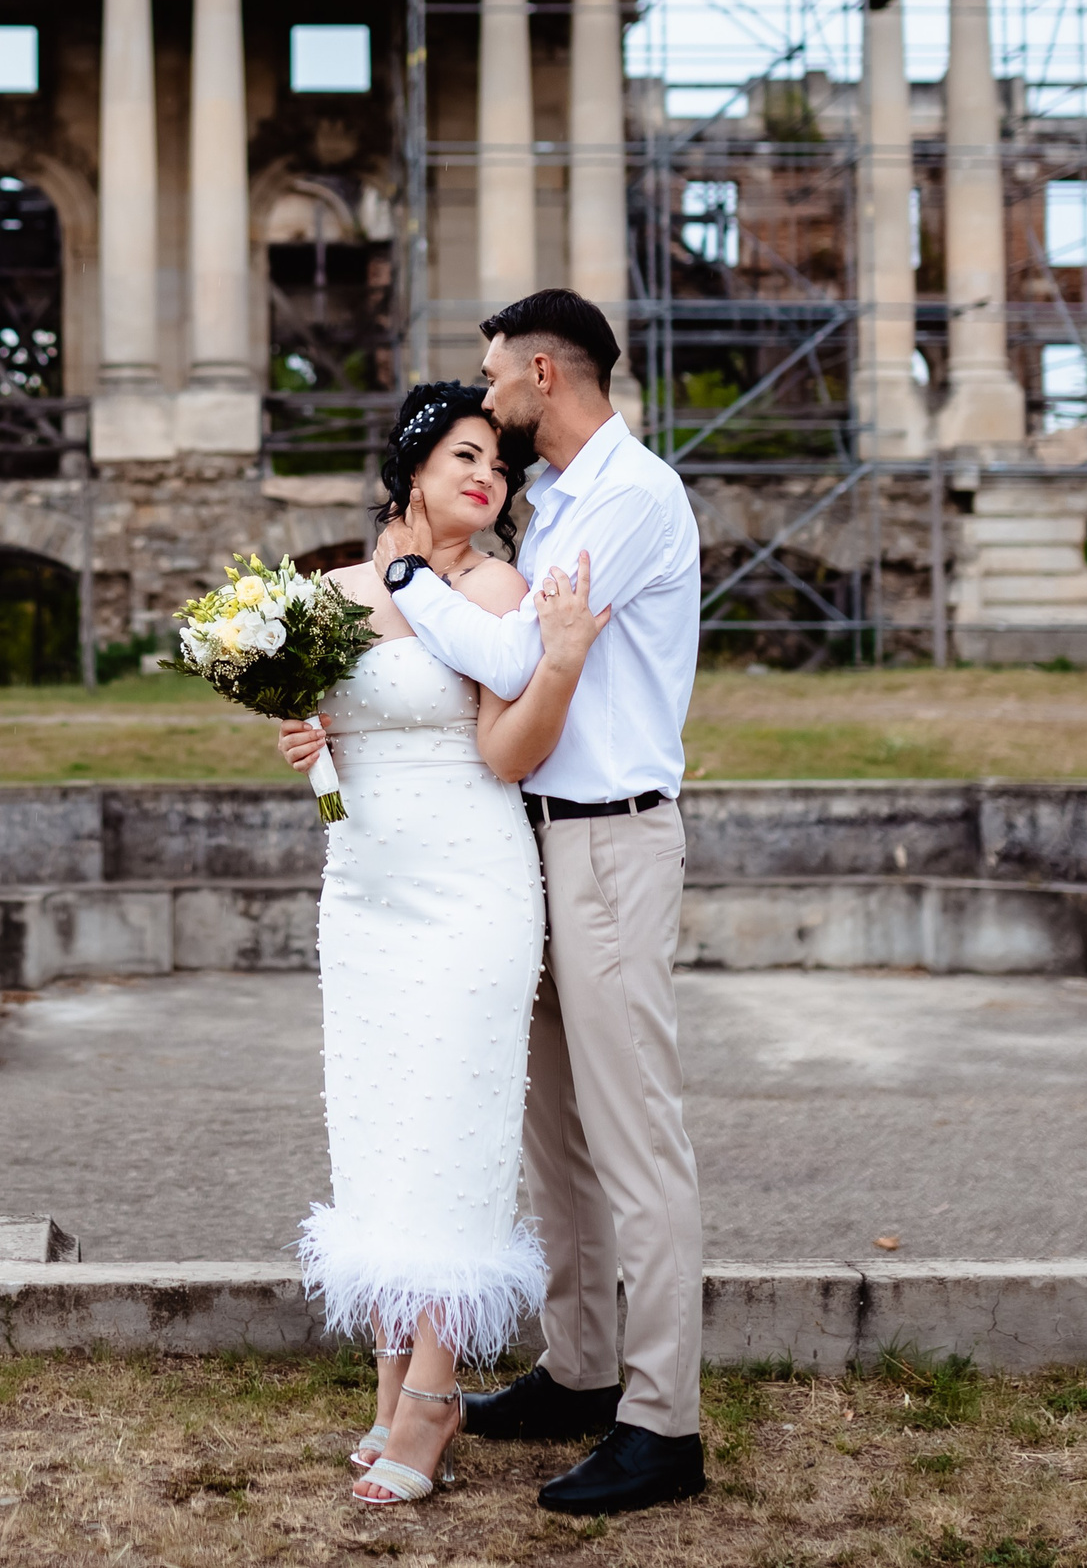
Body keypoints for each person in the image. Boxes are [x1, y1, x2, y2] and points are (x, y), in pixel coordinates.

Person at [372, 289, 708, 1517]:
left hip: (613, 844)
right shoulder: (556, 503)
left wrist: (408, 579)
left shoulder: (629, 497)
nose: (488, 393)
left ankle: (663, 1422)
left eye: (496, 374)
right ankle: (578, 1368)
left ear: (546, 374)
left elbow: (516, 660)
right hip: (533, 845)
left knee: (635, 1142)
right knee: (555, 1134)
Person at [274, 381, 612, 1507]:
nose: (489, 477)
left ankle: (434, 1397)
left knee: (453, 1138)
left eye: (503, 466)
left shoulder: (491, 585)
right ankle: (387, 1383)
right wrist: (310, 754)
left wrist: (556, 658)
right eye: (466, 456)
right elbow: (333, 784)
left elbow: (508, 755)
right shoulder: (322, 597)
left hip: (471, 888)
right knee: (374, 1135)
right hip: (362, 891)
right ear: (411, 469)